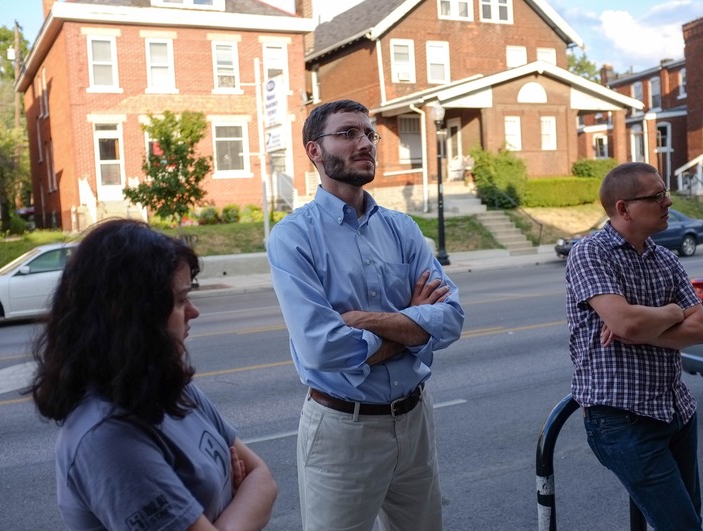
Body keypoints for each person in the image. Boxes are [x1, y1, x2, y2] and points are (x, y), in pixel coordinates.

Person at [267, 99, 465, 531]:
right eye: (347, 133)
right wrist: (413, 322)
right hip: (343, 429)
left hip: (415, 419)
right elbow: (322, 348)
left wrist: (365, 321)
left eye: (368, 133)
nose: (365, 143)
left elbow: (451, 318)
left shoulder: (402, 228)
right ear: (314, 150)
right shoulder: (293, 238)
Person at [29, 219, 277, 531]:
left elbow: (262, 478)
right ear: (136, 316)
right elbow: (254, 489)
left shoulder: (172, 387)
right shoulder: (107, 438)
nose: (194, 312)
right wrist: (236, 499)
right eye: (180, 300)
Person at [565, 162, 703, 530]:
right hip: (622, 419)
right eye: (656, 196)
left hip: (677, 411)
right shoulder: (590, 252)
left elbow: (699, 329)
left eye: (665, 193)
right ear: (623, 208)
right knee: (682, 526)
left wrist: (641, 326)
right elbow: (625, 322)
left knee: (688, 518)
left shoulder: (667, 259)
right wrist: (672, 312)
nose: (668, 201)